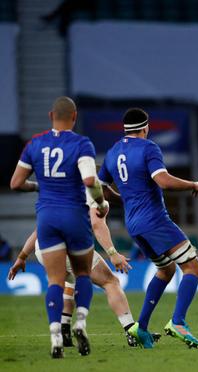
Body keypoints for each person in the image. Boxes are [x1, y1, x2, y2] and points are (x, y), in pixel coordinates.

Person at [97, 108, 198, 349]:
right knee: (193, 268)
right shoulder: (148, 148)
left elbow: (102, 189)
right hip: (155, 220)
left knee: (165, 271)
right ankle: (178, 322)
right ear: (145, 128)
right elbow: (163, 180)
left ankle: (141, 328)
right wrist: (193, 184)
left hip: (134, 224)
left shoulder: (113, 151)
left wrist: (126, 198)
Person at [10, 96, 108, 358]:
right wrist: (101, 202)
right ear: (74, 117)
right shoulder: (81, 143)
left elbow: (15, 183)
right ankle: (80, 323)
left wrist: (38, 186)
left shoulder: (36, 144)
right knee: (83, 275)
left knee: (54, 280)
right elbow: (89, 179)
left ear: (51, 115)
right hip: (74, 217)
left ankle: (55, 336)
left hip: (47, 219)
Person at [7, 189, 161, 347]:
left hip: (44, 248)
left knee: (70, 281)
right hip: (70, 246)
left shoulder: (61, 192)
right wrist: (112, 253)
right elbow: (97, 224)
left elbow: (39, 229)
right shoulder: (94, 193)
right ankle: (131, 331)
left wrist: (21, 257)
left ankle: (64, 331)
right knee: (111, 282)